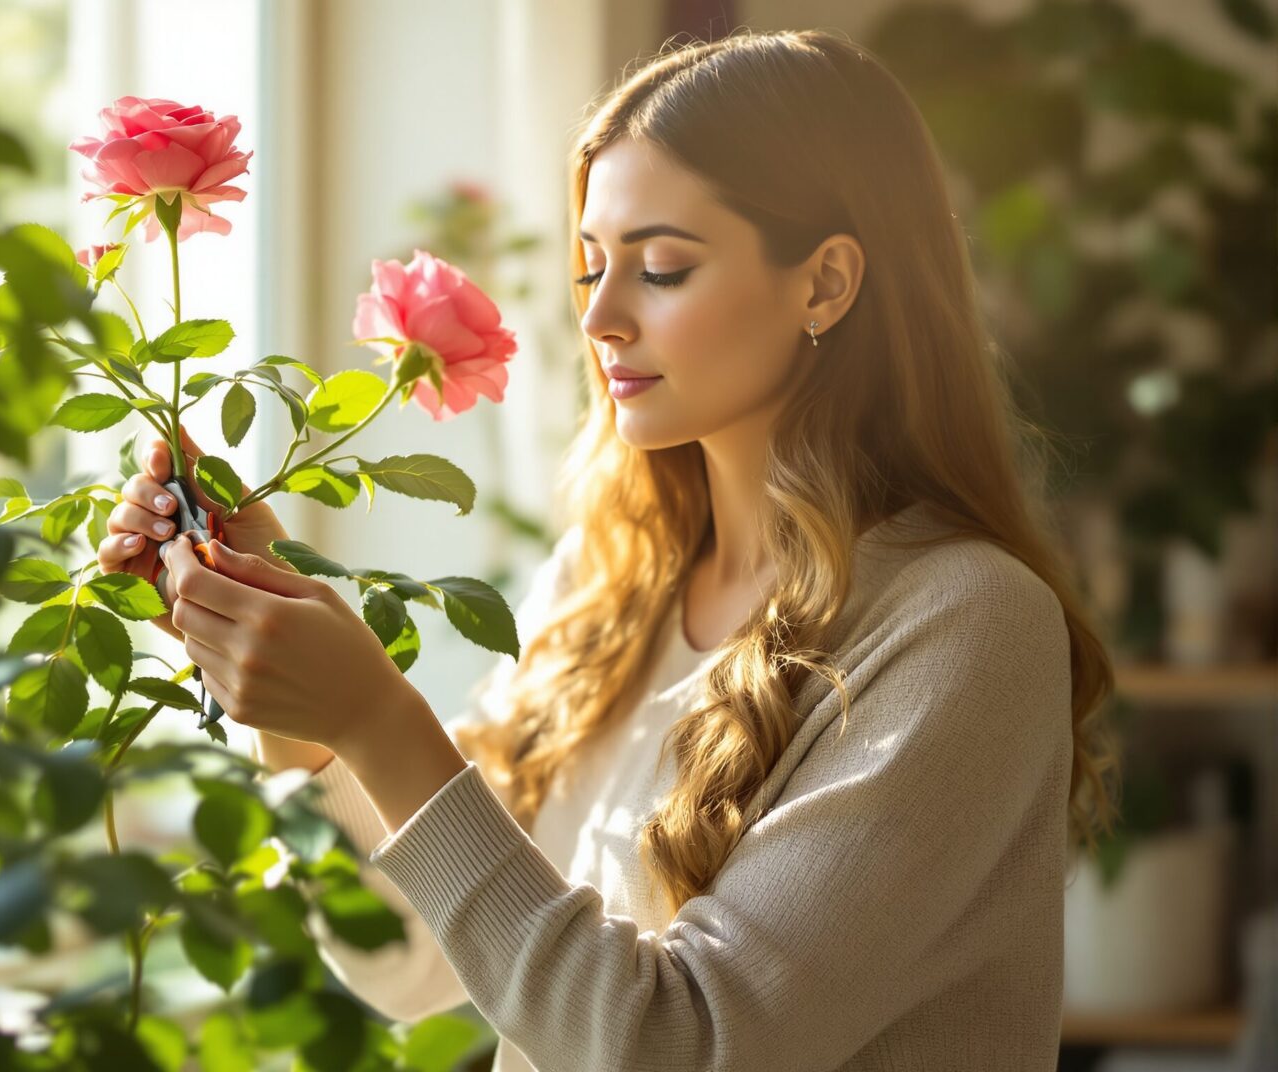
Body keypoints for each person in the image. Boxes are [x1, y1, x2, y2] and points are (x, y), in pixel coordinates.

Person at [95, 27, 1120, 1072]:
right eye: (591, 268)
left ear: (824, 283)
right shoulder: (610, 580)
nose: (601, 317)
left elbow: (679, 1045)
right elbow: (403, 959)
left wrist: (375, 715)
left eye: (662, 268)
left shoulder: (967, 624)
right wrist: (299, 711)